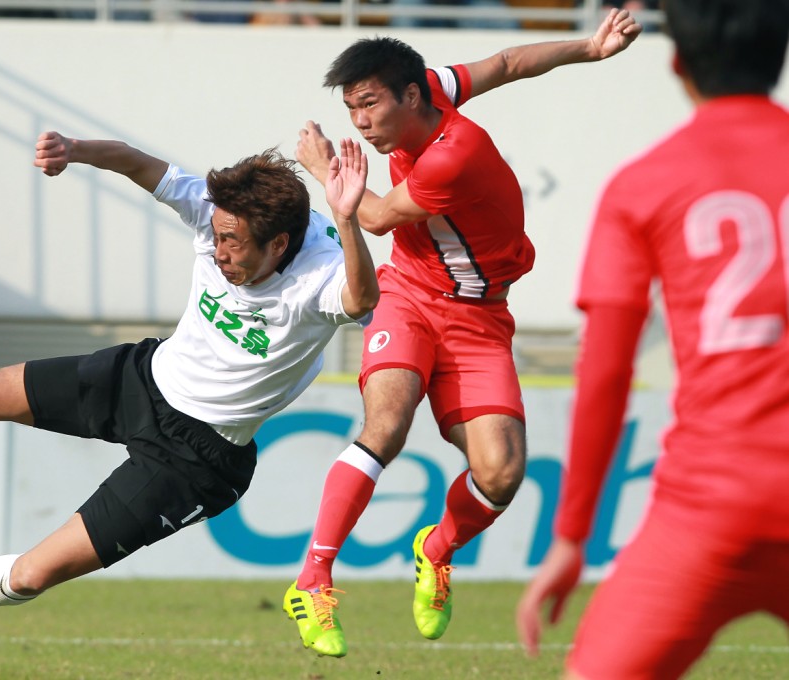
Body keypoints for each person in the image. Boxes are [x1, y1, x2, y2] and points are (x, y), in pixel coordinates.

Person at [0, 133, 380, 615]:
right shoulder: (218, 217)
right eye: (215, 233)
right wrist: (76, 151)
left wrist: (349, 216)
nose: (217, 250)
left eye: (232, 242)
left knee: (31, 576)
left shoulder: (323, 272)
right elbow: (136, 162)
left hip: (195, 459)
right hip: (141, 379)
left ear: (279, 245)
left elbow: (361, 298)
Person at [283, 9, 641, 658]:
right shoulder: (435, 89)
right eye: (351, 109)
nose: (359, 122)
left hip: (479, 319)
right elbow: (507, 64)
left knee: (501, 475)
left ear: (411, 95)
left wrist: (325, 172)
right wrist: (587, 47)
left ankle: (437, 548)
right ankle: (314, 578)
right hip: (410, 299)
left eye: (369, 105)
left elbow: (381, 215)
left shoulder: (454, 153)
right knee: (385, 426)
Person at [516, 1, 789, 677]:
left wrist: (572, 536)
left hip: (706, 511)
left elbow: (605, 373)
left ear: (677, 64)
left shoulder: (644, 184)